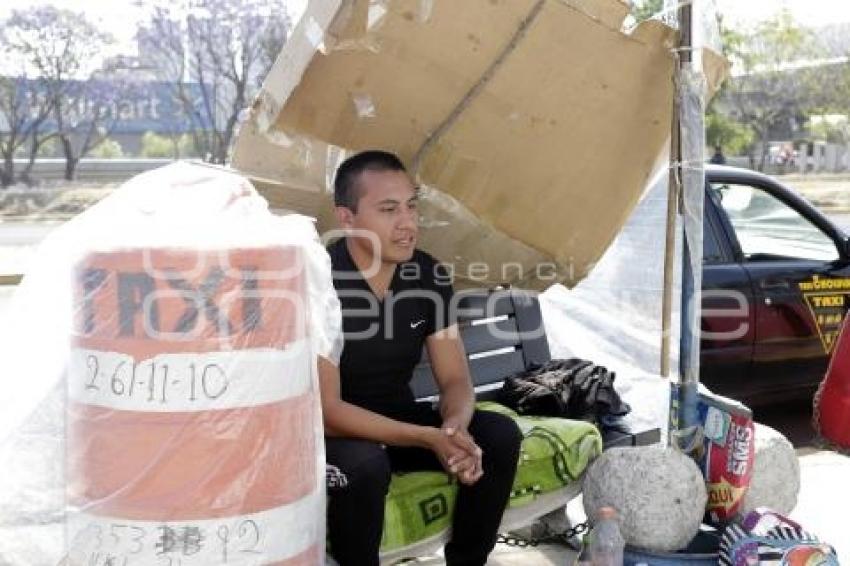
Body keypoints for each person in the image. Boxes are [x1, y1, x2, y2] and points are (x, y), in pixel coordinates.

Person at [318, 150, 523, 566]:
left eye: (412, 207)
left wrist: (453, 430)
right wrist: (426, 438)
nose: (408, 224)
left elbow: (454, 380)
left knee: (498, 435)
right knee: (365, 465)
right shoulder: (320, 281)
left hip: (400, 421)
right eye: (389, 210)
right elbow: (327, 411)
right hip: (335, 438)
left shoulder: (427, 275)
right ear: (347, 218)